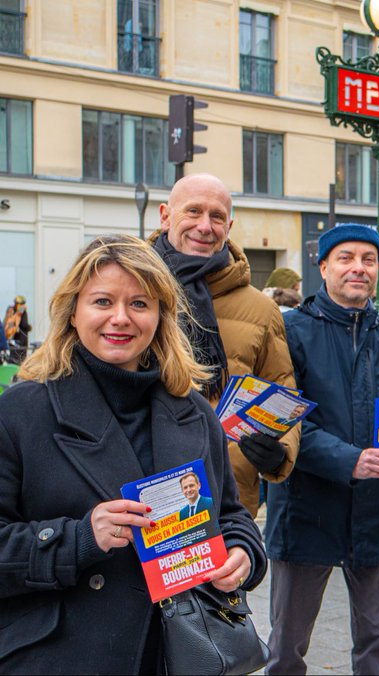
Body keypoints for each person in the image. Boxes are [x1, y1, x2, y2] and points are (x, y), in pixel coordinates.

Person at [0, 235, 265, 672]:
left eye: (140, 304)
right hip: (60, 656)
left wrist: (242, 553)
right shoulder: (22, 410)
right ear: (73, 311)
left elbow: (232, 514)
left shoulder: (194, 410)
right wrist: (80, 538)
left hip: (175, 653)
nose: (120, 318)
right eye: (102, 301)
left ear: (161, 316)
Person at [264, 224, 379, 675]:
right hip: (306, 511)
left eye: (368, 259)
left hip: (376, 513)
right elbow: (282, 422)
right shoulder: (289, 333)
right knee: (287, 646)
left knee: (378, 643)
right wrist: (350, 460)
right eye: (346, 258)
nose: (358, 268)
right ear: (323, 266)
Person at [152, 173, 299, 517]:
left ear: (228, 226)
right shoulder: (133, 290)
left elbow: (281, 389)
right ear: (165, 216)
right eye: (193, 212)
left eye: (217, 216)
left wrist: (279, 452)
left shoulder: (261, 309)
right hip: (144, 497)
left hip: (228, 498)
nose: (205, 226)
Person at [4, 293, 31, 362]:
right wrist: (29, 328)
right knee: (21, 360)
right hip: (21, 340)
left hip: (12, 339)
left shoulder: (11, 311)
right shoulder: (21, 312)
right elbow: (24, 325)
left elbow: (8, 324)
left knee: (13, 359)